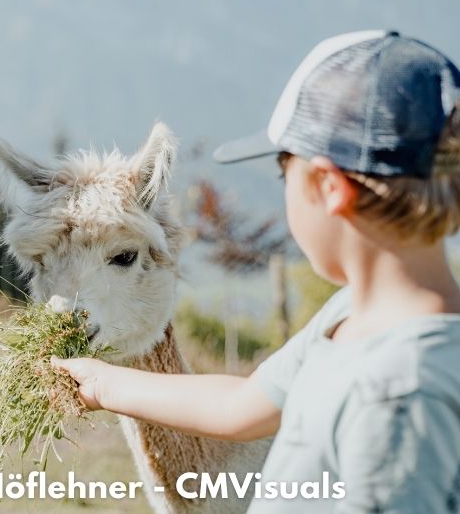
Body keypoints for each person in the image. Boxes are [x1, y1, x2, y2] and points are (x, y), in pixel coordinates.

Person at [53, 30, 460, 512]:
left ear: (329, 188)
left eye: (283, 173)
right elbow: (242, 406)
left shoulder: (401, 395)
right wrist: (105, 384)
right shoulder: (350, 316)